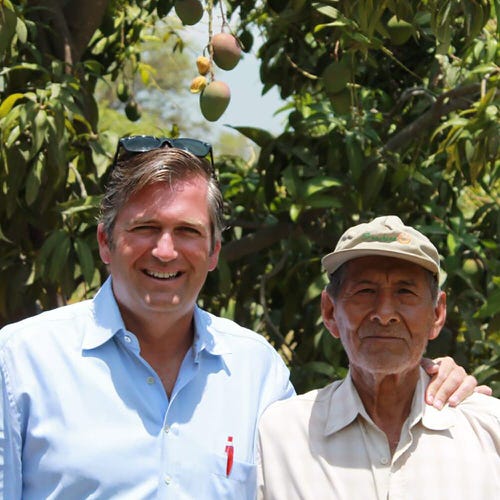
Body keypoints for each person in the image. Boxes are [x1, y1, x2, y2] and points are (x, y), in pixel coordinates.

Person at [0, 138, 485, 499]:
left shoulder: (257, 371)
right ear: (105, 243)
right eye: (145, 228)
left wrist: (426, 379)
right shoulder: (21, 361)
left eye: (187, 232)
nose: (165, 251)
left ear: (213, 251)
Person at [257, 215, 500, 499]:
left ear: (437, 314)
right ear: (330, 311)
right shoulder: (282, 436)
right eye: (365, 291)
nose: (384, 314)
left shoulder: (489, 428)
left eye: (405, 291)